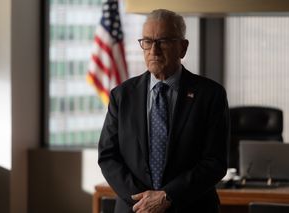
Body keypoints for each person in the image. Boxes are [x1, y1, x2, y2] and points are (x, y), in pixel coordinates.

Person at [98, 9, 229, 213]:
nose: (154, 50)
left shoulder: (210, 95)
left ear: (183, 48)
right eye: (148, 42)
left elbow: (215, 162)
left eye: (164, 41)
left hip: (191, 207)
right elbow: (108, 156)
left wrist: (168, 196)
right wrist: (144, 202)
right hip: (136, 209)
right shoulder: (122, 96)